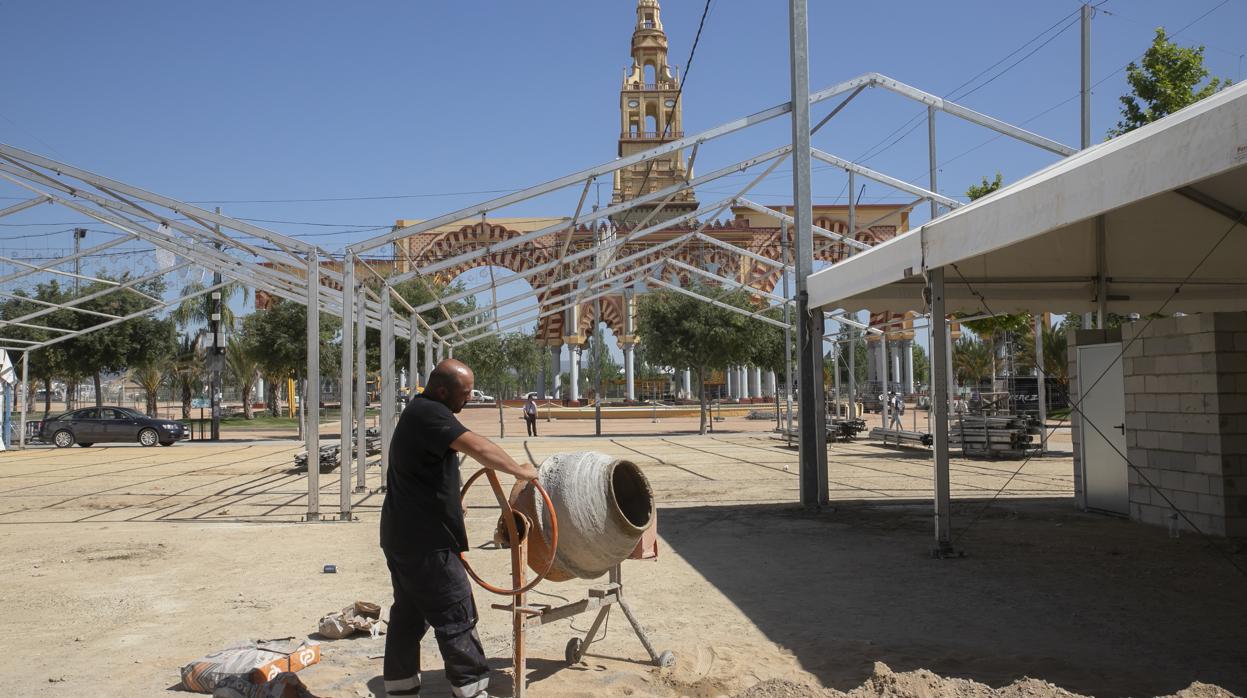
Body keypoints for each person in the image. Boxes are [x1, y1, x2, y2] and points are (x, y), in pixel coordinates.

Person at [380, 359, 539, 698]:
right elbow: (478, 447)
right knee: (456, 610)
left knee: (409, 613)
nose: (468, 399)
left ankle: (400, 686)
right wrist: (519, 470)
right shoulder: (431, 414)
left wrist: (454, 497)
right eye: (465, 393)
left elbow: (432, 462)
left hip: (401, 536)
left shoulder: (420, 413)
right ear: (442, 391)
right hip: (427, 542)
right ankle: (472, 688)